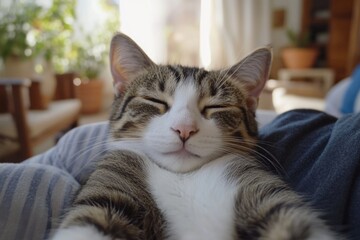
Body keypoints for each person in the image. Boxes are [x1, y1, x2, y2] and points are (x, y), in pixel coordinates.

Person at [0, 109, 359, 240]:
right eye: (158, 106)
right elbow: (93, 222)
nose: (184, 127)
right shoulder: (122, 160)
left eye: (213, 109)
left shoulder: (233, 162)